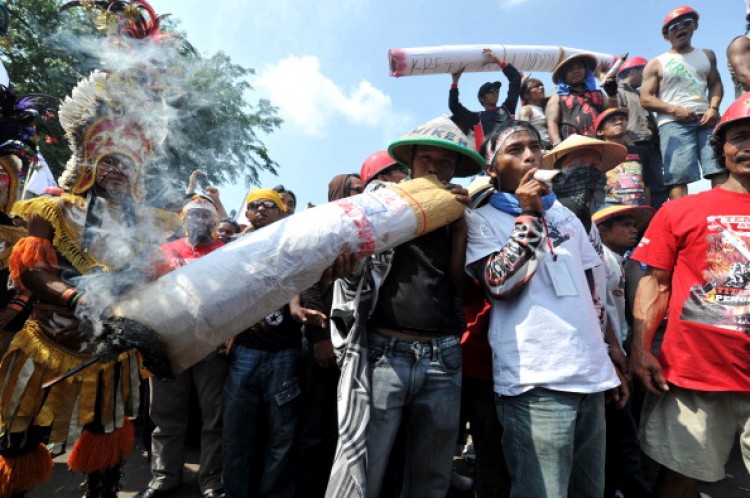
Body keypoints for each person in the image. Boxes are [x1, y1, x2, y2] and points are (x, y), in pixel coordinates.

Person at [0, 68, 170, 498]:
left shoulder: (147, 230)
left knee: (107, 448)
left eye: (127, 164)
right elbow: (32, 270)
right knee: (18, 438)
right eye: (110, 161)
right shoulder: (51, 209)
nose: (118, 171)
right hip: (46, 342)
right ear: (91, 162)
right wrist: (76, 298)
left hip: (110, 352)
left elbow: (152, 283)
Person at [465, 120, 624, 498]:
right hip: (535, 381)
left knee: (590, 491)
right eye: (514, 150)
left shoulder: (567, 216)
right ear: (492, 169)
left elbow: (593, 290)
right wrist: (529, 214)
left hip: (590, 376)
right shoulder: (479, 219)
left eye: (534, 146)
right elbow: (500, 284)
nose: (529, 155)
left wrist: (610, 354)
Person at [327, 116, 483, 498]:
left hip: (442, 356)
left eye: (445, 163)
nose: (434, 168)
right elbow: (353, 268)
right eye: (426, 158)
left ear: (456, 171)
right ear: (410, 164)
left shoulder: (461, 214)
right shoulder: (381, 206)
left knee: (432, 474)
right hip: (384, 353)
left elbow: (459, 285)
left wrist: (460, 228)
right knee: (367, 465)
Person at [630, 92, 750, 498]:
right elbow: (654, 283)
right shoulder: (680, 211)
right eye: (740, 137)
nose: (749, 146)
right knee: (680, 480)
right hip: (693, 379)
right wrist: (641, 349)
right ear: (722, 149)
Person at [136, 195, 228, 498]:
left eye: (205, 216)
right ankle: (164, 476)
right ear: (182, 219)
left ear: (213, 222)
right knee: (165, 415)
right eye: (193, 215)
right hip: (168, 343)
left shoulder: (226, 252)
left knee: (214, 417)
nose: (198, 220)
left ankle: (212, 480)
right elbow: (146, 294)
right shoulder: (164, 252)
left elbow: (235, 298)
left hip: (210, 345)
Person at [221, 188, 303, 497]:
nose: (262, 209)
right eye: (255, 205)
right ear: (247, 214)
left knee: (282, 433)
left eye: (271, 205)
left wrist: (295, 306)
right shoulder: (233, 248)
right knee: (237, 430)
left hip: (285, 352)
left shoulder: (294, 244)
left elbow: (298, 279)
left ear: (283, 213)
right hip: (246, 351)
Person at [592, 204, 655, 498]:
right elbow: (599, 311)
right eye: (625, 224)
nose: (634, 230)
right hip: (609, 362)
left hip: (618, 358)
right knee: (623, 438)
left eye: (634, 225)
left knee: (619, 438)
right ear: (602, 230)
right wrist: (613, 352)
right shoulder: (599, 260)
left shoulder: (618, 261)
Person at [640, 6, 726, 199]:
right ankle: (681, 221)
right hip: (673, 123)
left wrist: (713, 108)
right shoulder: (656, 63)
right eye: (673, 27)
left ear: (695, 25)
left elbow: (715, 85)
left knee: (718, 168)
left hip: (706, 118)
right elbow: (645, 98)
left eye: (686, 23)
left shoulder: (707, 55)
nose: (680, 28)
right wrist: (674, 109)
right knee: (677, 177)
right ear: (666, 36)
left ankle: (722, 211)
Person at [616, 56, 668, 209]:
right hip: (633, 144)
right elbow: (617, 120)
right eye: (644, 72)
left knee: (658, 187)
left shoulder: (640, 94)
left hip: (651, 144)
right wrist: (630, 145)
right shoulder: (618, 92)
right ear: (634, 70)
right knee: (634, 187)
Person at [449, 48, 522, 144]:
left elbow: (515, 78)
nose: (496, 93)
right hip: (488, 158)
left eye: (497, 90)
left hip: (512, 152)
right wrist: (455, 81)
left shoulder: (508, 108)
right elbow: (454, 106)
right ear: (482, 98)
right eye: (491, 91)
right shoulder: (476, 118)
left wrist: (496, 60)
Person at [546, 53, 618, 145]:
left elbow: (611, 115)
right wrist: (557, 143)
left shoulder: (599, 94)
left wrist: (612, 95)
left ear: (586, 71)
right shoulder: (557, 98)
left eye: (579, 67)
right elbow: (552, 122)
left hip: (599, 144)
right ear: (563, 75)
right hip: (571, 146)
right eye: (570, 69)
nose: (575, 71)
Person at [594, 108, 653, 206]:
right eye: (612, 120)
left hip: (637, 212)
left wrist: (646, 210)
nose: (619, 122)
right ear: (600, 131)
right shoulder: (595, 156)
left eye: (622, 119)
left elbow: (646, 186)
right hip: (608, 212)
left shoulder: (640, 152)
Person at [518, 77, 551, 149]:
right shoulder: (526, 109)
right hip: (541, 148)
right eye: (536, 86)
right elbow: (524, 132)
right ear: (526, 95)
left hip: (552, 146)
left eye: (542, 85)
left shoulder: (546, 107)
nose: (541, 87)